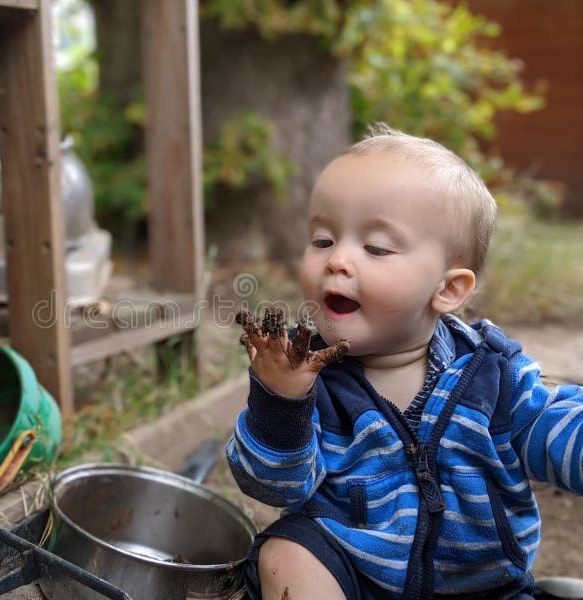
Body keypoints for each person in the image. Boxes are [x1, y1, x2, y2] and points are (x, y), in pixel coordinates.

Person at [227, 124, 583, 600]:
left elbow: (558, 430)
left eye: (375, 248)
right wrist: (280, 404)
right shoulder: (305, 374)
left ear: (448, 289)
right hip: (353, 581)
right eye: (323, 241)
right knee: (286, 555)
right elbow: (274, 488)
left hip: (482, 589)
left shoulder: (493, 379)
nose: (338, 261)